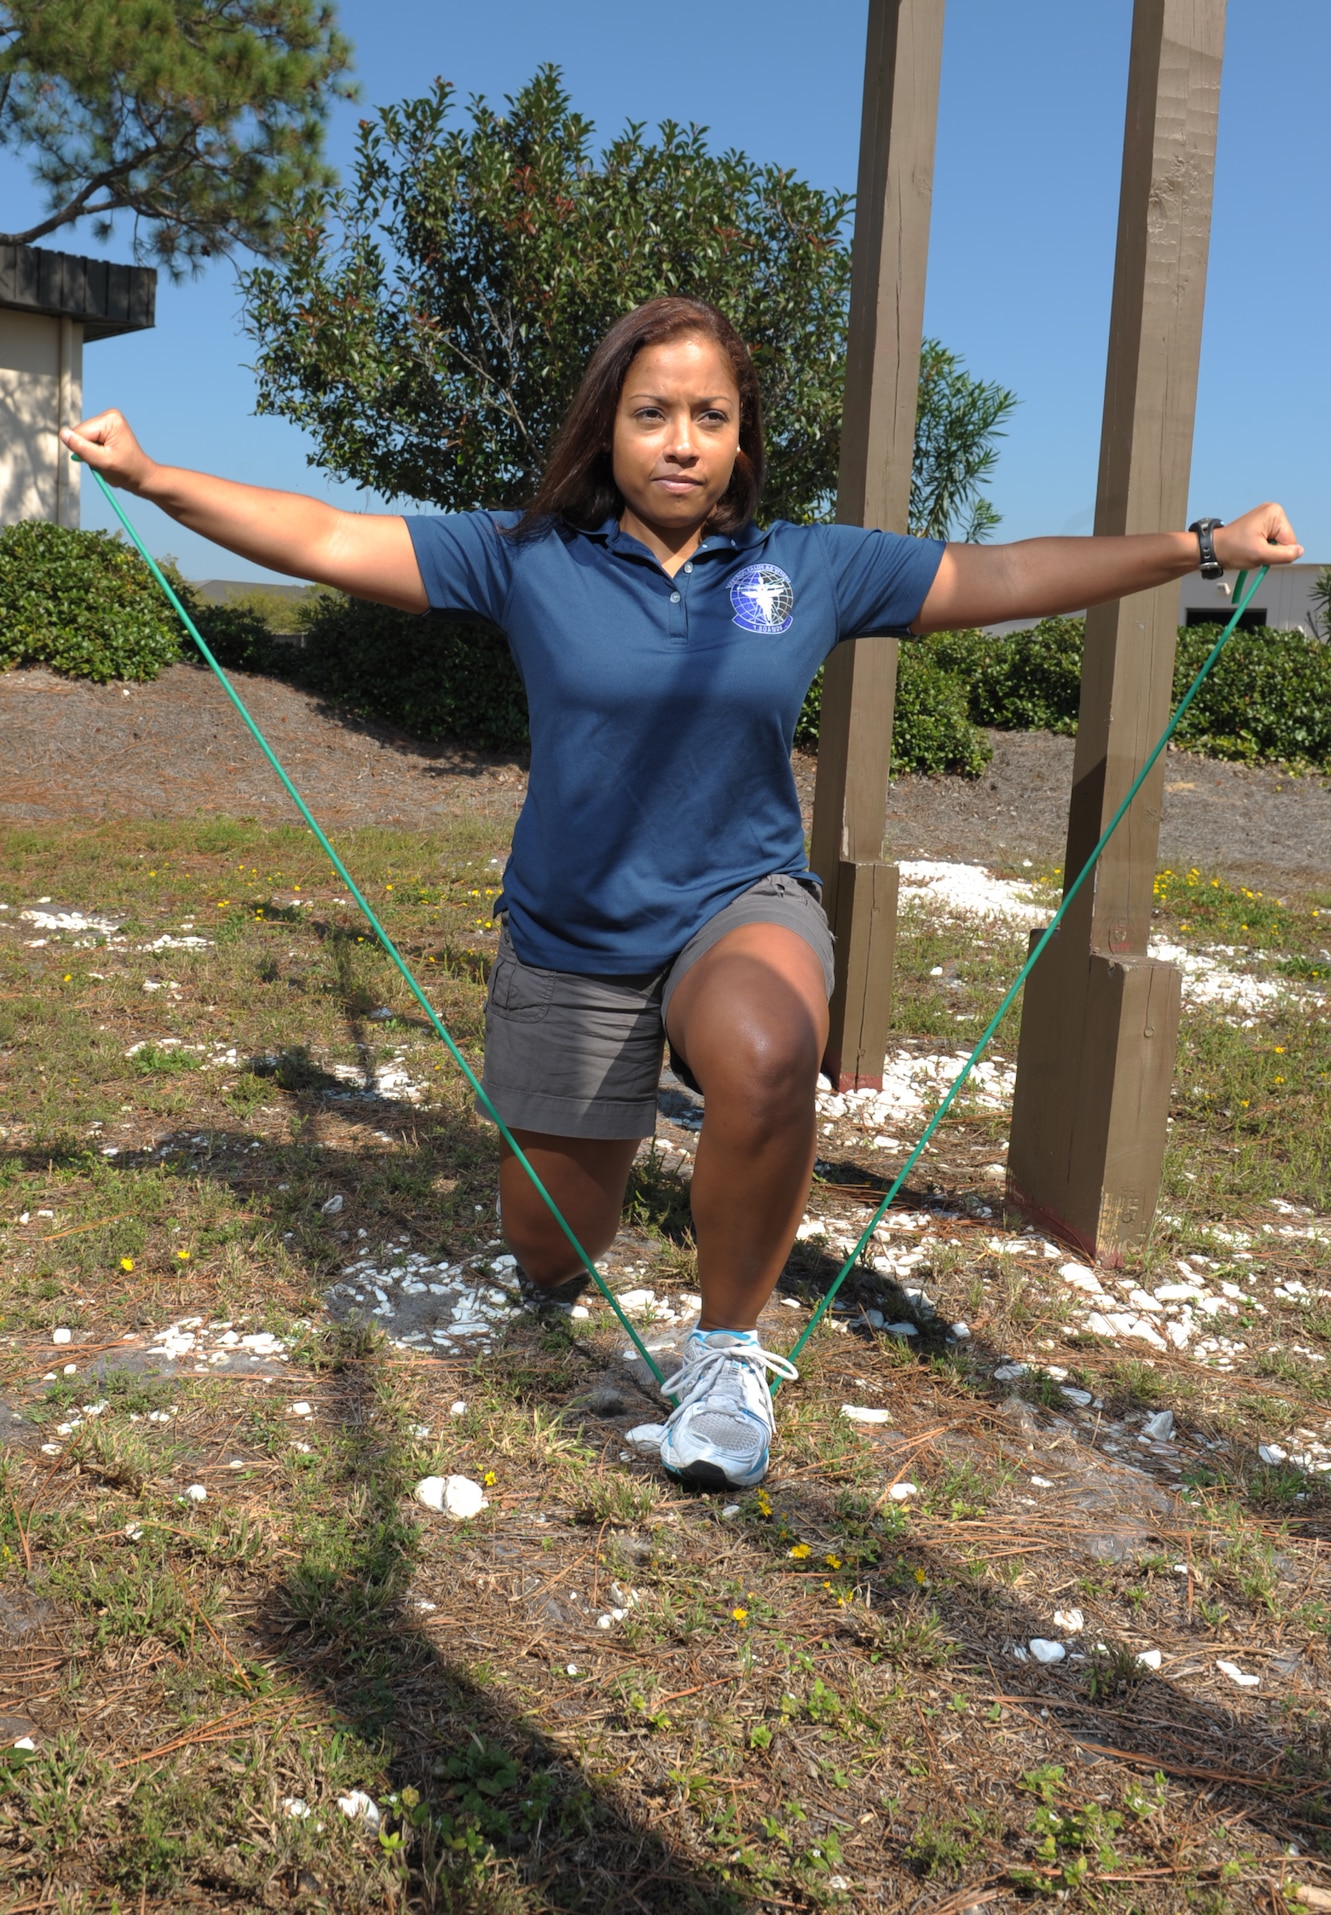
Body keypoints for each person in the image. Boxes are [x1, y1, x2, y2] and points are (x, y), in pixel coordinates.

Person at [63, 294, 1302, 1493]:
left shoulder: (806, 566)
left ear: (741, 436)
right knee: (552, 1247)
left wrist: (1197, 546)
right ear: (609, 425)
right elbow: (327, 535)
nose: (682, 441)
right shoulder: (526, 558)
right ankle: (582, 1216)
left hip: (739, 897)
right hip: (570, 938)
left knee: (767, 1052)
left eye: (710, 416)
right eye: (654, 412)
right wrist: (156, 478)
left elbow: (1003, 572)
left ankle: (725, 1356)